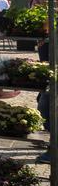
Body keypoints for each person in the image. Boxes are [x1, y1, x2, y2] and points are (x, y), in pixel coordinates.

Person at [36, 26, 52, 164]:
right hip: (49, 76)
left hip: (53, 78)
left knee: (45, 109)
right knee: (43, 106)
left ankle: (54, 150)